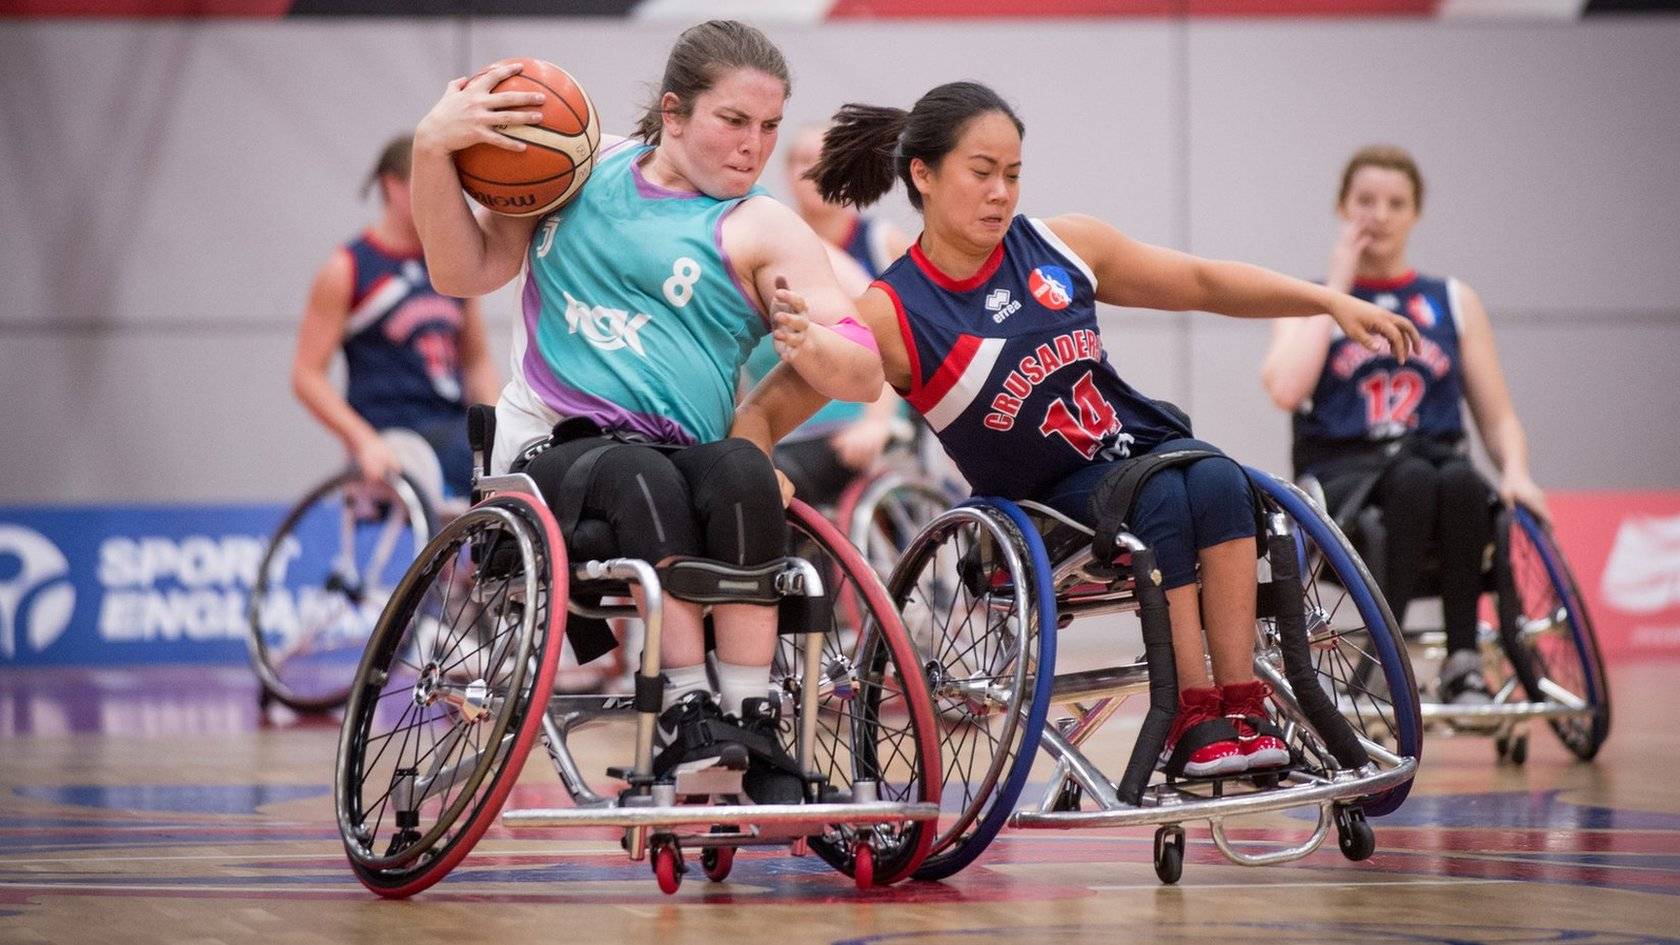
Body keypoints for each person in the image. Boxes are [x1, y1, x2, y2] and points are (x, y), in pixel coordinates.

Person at [803, 81, 1419, 777]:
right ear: (923, 173)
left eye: (1013, 173)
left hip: (1136, 454)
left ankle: (1243, 703)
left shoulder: (1061, 245)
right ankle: (1194, 715)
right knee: (1160, 497)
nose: (1001, 192)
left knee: (1219, 475)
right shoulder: (894, 307)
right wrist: (755, 439)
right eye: (982, 173)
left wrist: (1329, 301)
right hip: (1044, 507)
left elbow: (1203, 282)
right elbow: (789, 391)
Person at [408, 20, 883, 798]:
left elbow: (863, 369)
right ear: (673, 113)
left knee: (742, 470)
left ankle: (750, 717)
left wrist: (810, 343)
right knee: (640, 473)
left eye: (767, 127)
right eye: (733, 121)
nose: (753, 147)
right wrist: (434, 147)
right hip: (550, 451)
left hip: (677, 456)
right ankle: (685, 710)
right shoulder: (573, 170)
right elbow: (463, 270)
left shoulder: (761, 226)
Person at [1261, 144, 1549, 707]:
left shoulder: (1453, 301)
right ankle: (1384, 655)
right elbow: (1286, 389)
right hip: (1348, 474)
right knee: (1415, 477)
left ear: (1416, 213)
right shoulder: (1307, 298)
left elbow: (1499, 417)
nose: (1380, 214)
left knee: (1464, 481)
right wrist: (1337, 284)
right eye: (1365, 201)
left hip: (1437, 465)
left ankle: (1464, 662)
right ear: (1342, 208)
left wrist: (1517, 471)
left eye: (1396, 202)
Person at [291, 135, 500, 506]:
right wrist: (363, 440)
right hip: (394, 432)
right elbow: (307, 376)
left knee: (519, 453)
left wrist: (502, 425)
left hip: (450, 426)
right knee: (473, 459)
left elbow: (476, 360)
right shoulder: (349, 268)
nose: (442, 197)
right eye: (431, 184)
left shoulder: (451, 264)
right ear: (393, 185)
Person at [740, 126, 913, 508]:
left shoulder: (879, 243)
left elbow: (896, 340)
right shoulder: (763, 245)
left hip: (854, 415)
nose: (814, 171)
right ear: (787, 174)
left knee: (784, 479)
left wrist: (876, 423)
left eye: (825, 161)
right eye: (803, 161)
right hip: (784, 420)